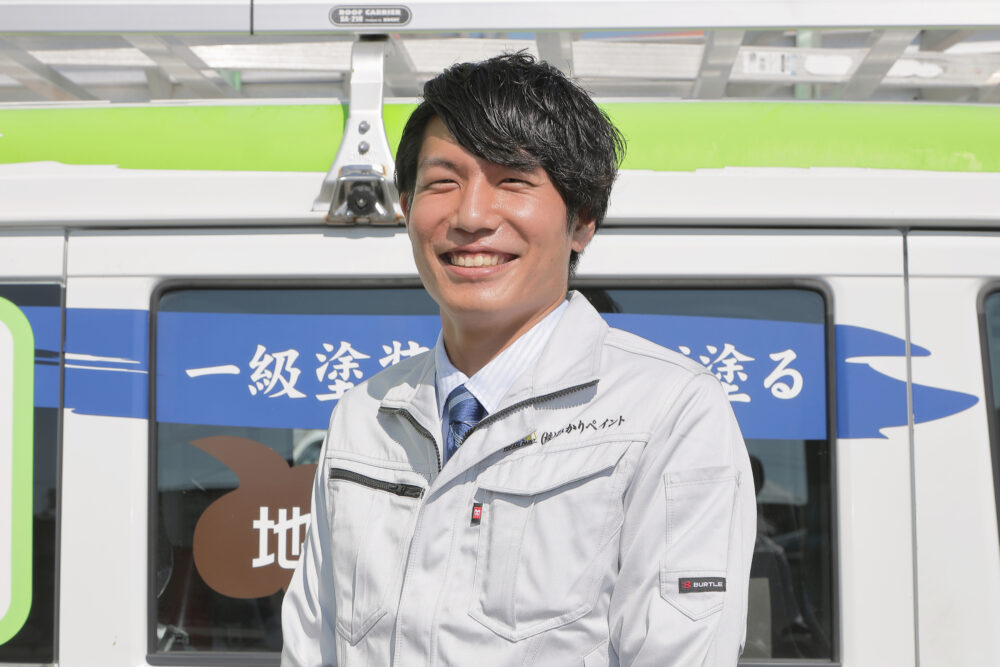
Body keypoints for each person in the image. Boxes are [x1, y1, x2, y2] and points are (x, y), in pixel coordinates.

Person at [281, 52, 756, 666]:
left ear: (582, 220)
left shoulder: (669, 410)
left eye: (512, 181)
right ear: (407, 206)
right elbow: (310, 646)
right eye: (443, 182)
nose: (471, 217)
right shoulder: (364, 415)